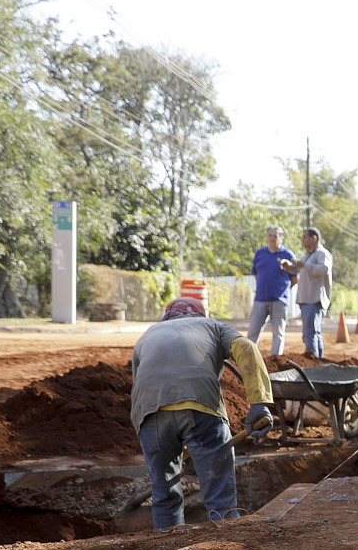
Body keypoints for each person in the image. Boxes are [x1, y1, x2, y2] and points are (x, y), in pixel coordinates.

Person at [129, 296, 275, 529]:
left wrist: (183, 450)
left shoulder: (148, 335)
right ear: (200, 315)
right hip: (201, 408)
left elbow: (139, 389)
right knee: (221, 501)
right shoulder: (213, 326)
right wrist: (259, 403)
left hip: (149, 414)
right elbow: (246, 347)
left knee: (164, 497)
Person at [248, 226, 296, 356]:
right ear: (267, 237)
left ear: (281, 238)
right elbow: (256, 274)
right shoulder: (260, 253)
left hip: (279, 300)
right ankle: (250, 357)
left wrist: (281, 290)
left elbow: (295, 278)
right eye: (270, 235)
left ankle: (275, 358)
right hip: (260, 299)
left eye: (275, 236)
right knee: (253, 330)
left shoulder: (288, 255)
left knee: (278, 333)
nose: (272, 238)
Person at [287, 227, 334, 357]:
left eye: (305, 237)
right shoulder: (308, 255)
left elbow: (324, 269)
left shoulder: (322, 254)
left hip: (314, 299)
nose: (303, 240)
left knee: (309, 333)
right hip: (306, 299)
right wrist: (289, 268)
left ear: (314, 238)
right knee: (314, 332)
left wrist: (304, 265)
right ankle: (318, 360)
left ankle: (313, 362)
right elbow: (300, 270)